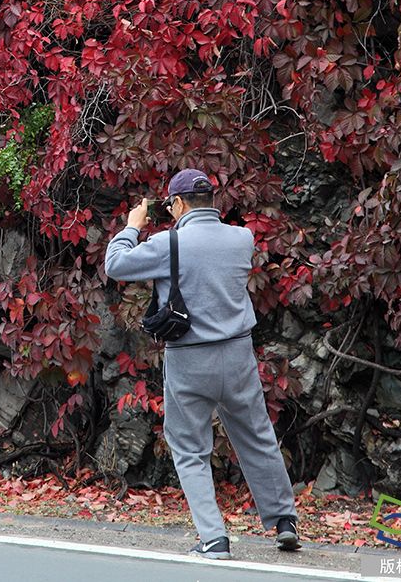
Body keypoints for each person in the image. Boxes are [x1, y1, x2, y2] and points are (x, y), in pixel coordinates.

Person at [104, 168, 300, 559]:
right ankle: (284, 522)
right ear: (214, 200)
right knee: (257, 437)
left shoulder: (167, 242)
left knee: (190, 448)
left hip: (190, 359)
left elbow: (115, 264)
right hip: (238, 354)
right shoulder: (242, 238)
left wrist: (132, 226)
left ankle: (214, 539)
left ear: (176, 204)